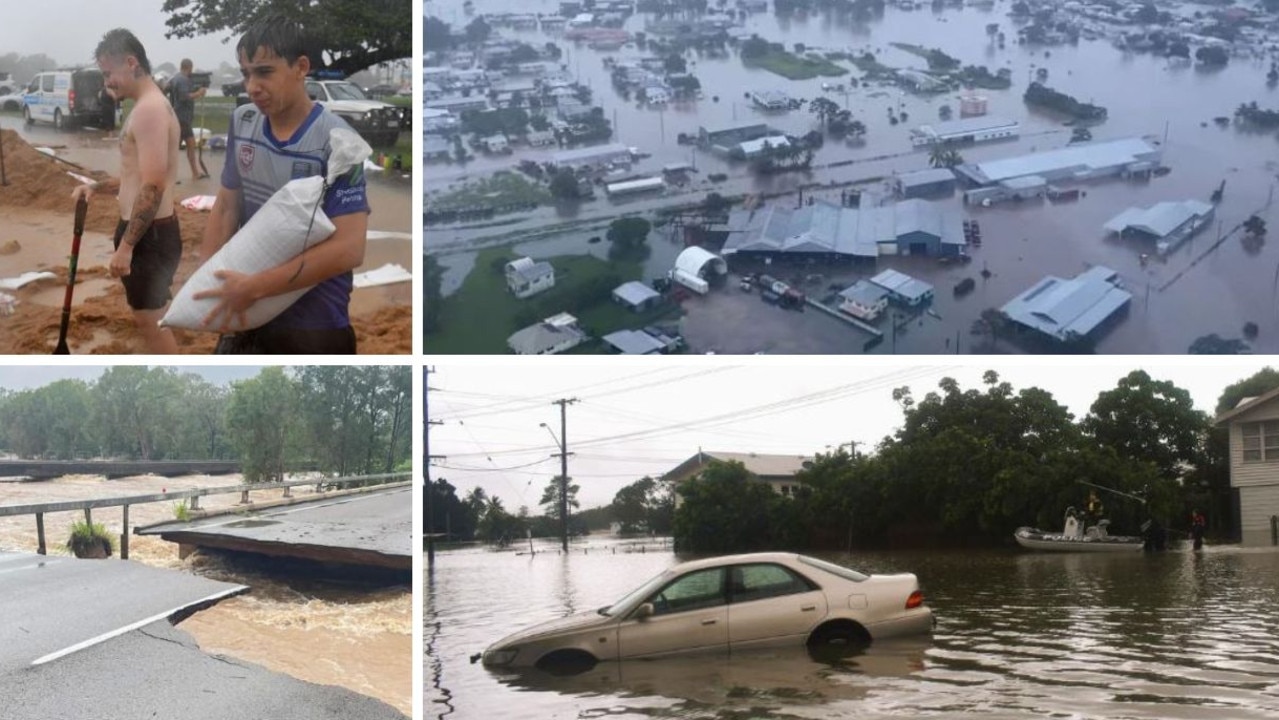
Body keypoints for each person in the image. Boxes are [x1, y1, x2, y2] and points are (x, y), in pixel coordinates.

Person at [197, 15, 369, 354]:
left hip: (314, 324)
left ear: (300, 67)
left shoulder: (338, 141)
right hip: (246, 309)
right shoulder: (242, 122)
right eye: (246, 73)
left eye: (264, 72)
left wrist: (256, 287)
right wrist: (203, 281)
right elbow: (228, 206)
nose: (251, 87)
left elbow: (349, 249)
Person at [71, 28, 181, 354]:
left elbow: (154, 184)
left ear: (131, 63)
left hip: (148, 237)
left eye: (109, 74)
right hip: (148, 232)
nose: (107, 83)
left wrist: (127, 246)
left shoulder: (149, 110)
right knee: (153, 314)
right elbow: (136, 177)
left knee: (151, 322)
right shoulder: (147, 106)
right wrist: (95, 187)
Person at [169, 59, 208, 181]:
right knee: (183, 146)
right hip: (182, 118)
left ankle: (194, 173)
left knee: (184, 146)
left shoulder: (175, 79)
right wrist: (199, 93)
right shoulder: (182, 80)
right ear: (189, 67)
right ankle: (171, 176)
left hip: (179, 117)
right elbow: (184, 96)